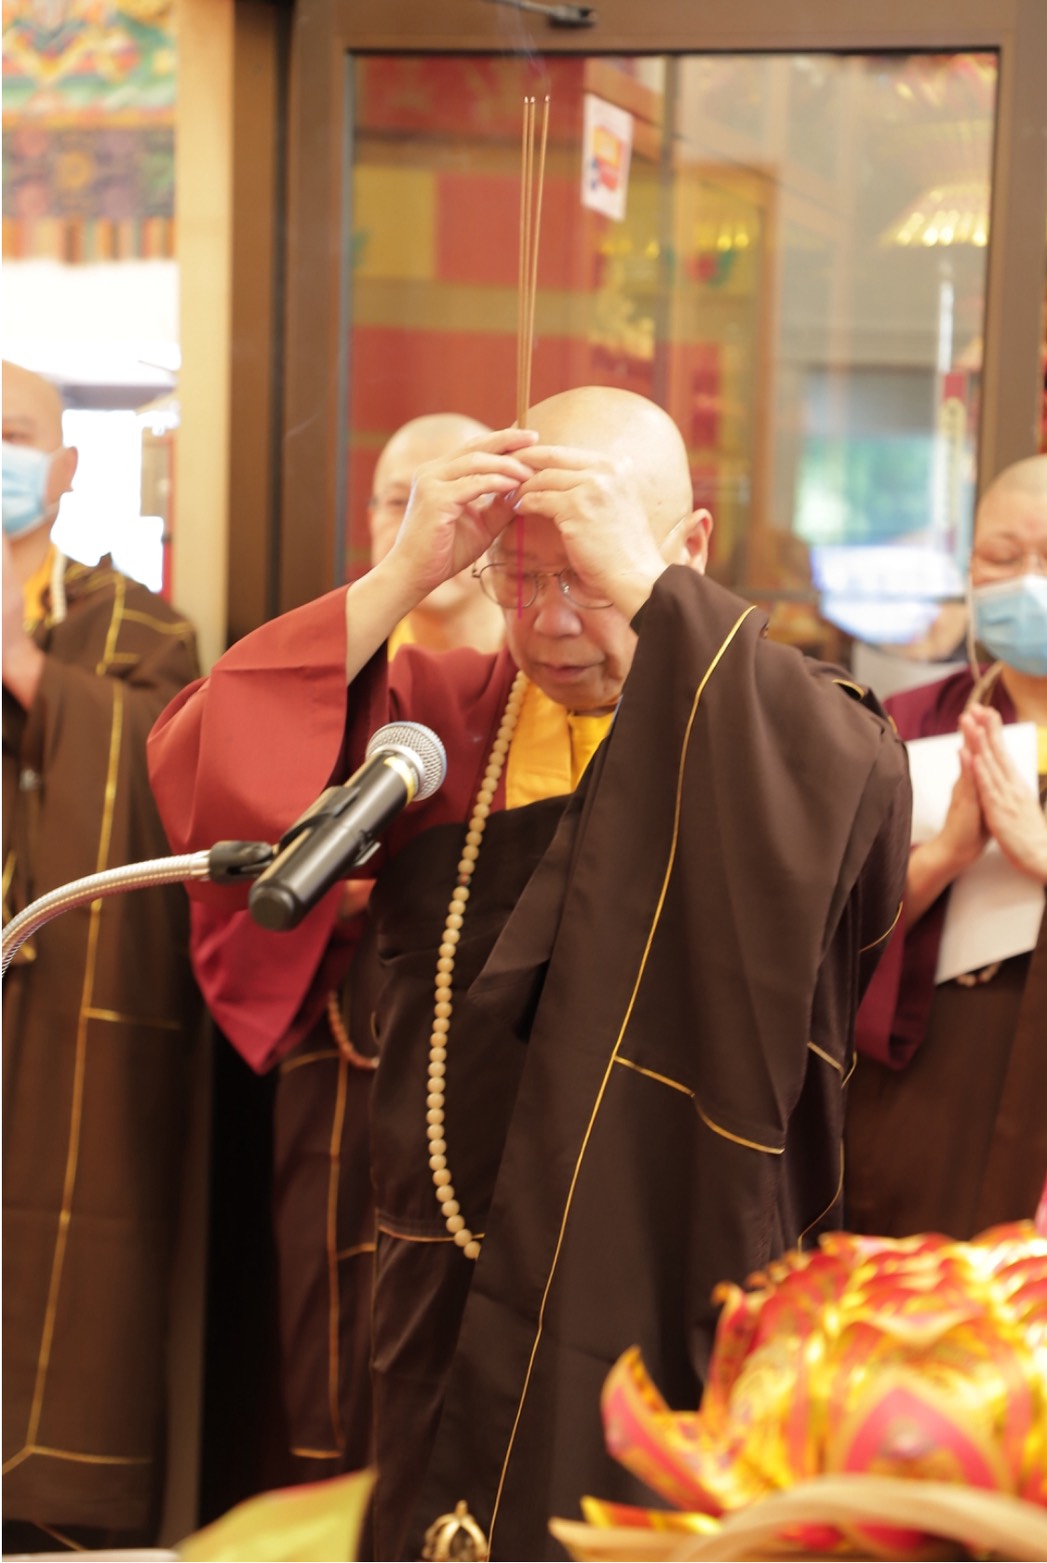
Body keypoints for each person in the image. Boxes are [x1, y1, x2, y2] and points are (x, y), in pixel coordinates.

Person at [148, 385, 910, 1562]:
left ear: (688, 547)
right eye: (519, 578)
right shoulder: (445, 722)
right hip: (450, 1282)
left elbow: (854, 798)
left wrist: (649, 596)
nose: (550, 623)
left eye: (587, 580)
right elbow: (209, 778)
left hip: (686, 1273)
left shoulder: (776, 726)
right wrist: (404, 574)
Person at [268, 411, 505, 1486]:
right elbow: (241, 826)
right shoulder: (343, 667)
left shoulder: (536, 670)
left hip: (492, 1046)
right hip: (344, 1030)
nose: (420, 516)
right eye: (396, 499)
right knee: (334, 1316)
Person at [2, 360, 201, 1551]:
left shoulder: (140, 627)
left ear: (67, 466)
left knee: (70, 1290)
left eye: (14, 433)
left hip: (69, 1024)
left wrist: (28, 673)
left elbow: (171, 787)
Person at [845, 453, 1047, 1242]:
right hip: (927, 1087)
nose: (1028, 580)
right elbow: (827, 932)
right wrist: (942, 857)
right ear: (968, 571)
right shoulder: (903, 723)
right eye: (1002, 556)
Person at [367, 412, 505, 657]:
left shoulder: (547, 664)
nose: (423, 525)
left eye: (459, 499)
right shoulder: (353, 663)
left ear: (506, 524)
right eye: (399, 502)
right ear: (372, 519)